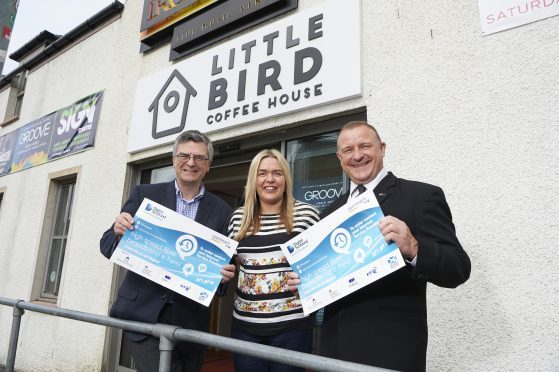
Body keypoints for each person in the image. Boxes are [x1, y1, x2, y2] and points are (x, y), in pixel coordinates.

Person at [288, 121, 471, 372]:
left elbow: (458, 268)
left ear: (382, 148)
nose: (358, 155)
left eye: (365, 146)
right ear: (340, 158)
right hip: (334, 350)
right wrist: (307, 286)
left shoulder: (421, 196)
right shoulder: (329, 213)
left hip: (390, 352)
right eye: (348, 150)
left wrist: (415, 248)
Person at [100, 130, 235, 372]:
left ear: (208, 165)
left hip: (191, 324)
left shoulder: (223, 211)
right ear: (173, 160)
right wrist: (119, 232)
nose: (191, 162)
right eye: (184, 155)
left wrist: (222, 277)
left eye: (199, 158)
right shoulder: (144, 195)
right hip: (144, 315)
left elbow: (220, 275)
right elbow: (107, 245)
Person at [227, 149, 320, 372]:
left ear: (286, 179)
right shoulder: (237, 218)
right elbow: (239, 267)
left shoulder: (308, 215)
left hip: (293, 329)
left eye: (277, 173)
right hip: (245, 329)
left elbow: (320, 267)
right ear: (254, 179)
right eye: (262, 173)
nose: (270, 179)